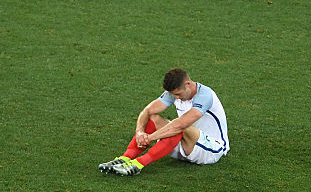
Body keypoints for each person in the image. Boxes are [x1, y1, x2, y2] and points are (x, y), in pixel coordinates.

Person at [98, 68, 229, 176]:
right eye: (173, 95)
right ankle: (125, 158)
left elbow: (181, 124)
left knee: (180, 126)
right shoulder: (174, 93)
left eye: (178, 94)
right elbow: (147, 111)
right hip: (185, 144)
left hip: (211, 150)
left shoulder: (205, 95)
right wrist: (139, 132)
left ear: (188, 84)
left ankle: (137, 164)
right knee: (153, 118)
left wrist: (150, 137)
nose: (176, 98)